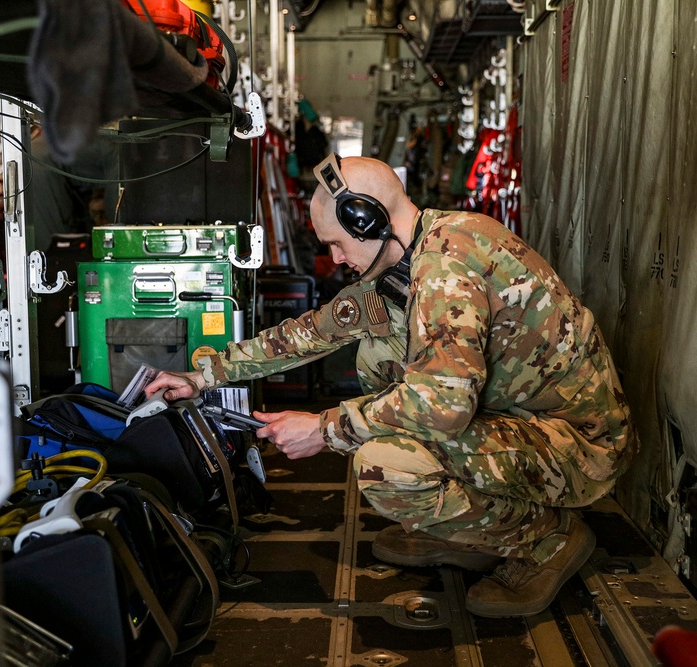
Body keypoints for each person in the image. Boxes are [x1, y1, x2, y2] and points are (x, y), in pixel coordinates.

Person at [144, 153, 638, 618]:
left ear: (369, 221)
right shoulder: (404, 260)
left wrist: (324, 427)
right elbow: (308, 334)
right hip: (518, 422)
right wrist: (201, 377)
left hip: (578, 446)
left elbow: (442, 407)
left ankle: (547, 541)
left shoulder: (447, 263)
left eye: (338, 243)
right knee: (378, 357)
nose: (335, 259)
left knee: (385, 465)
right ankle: (470, 529)